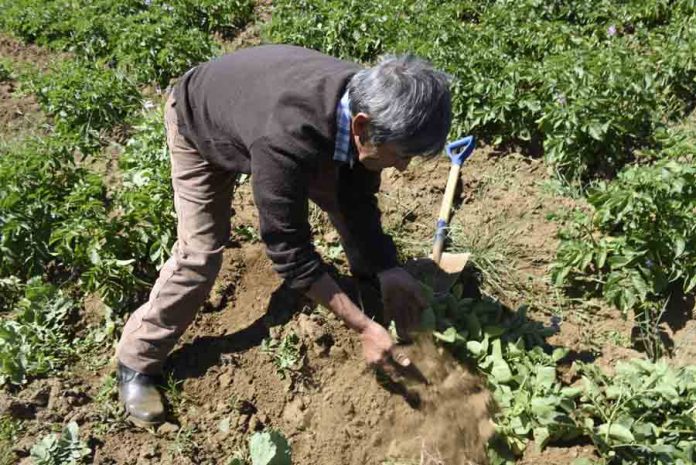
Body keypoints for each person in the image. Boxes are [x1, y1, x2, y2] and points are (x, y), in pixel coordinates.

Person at [115, 44, 452, 426]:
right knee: (201, 254)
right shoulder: (286, 138)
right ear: (361, 126)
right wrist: (360, 327)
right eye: (401, 155)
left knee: (347, 198)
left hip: (254, 109)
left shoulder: (370, 99)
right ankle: (137, 360)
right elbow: (289, 252)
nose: (404, 168)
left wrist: (386, 268)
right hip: (201, 123)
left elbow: (355, 198)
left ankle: (371, 288)